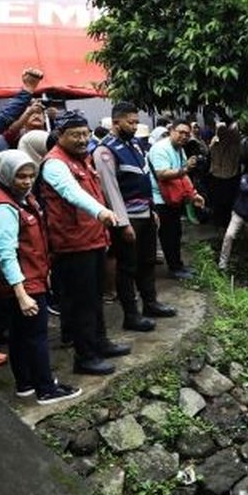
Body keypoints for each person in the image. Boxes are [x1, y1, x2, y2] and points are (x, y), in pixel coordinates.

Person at [0, 150, 82, 404]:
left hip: (32, 276)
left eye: (30, 176)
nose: (27, 181)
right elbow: (6, 254)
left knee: (20, 334)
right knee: (37, 335)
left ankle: (26, 382)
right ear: (6, 176)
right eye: (20, 177)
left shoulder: (23, 199)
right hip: (22, 282)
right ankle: (46, 389)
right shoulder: (3, 208)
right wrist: (21, 293)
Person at [39, 111, 127, 377]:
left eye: (85, 134)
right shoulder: (54, 163)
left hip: (93, 239)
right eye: (75, 135)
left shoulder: (84, 158)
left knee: (95, 297)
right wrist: (100, 212)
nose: (82, 139)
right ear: (59, 135)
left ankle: (100, 343)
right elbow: (71, 192)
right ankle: (85, 357)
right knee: (81, 303)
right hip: (72, 244)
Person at [93, 103, 177, 332]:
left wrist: (152, 210)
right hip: (128, 218)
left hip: (145, 213)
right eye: (130, 122)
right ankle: (131, 315)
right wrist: (122, 223)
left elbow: (145, 178)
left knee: (147, 262)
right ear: (116, 122)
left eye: (135, 122)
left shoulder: (135, 145)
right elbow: (110, 190)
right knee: (127, 267)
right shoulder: (105, 150)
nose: (134, 126)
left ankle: (150, 303)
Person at [149, 119, 207, 278]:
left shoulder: (179, 149)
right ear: (171, 131)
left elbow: (183, 175)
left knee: (175, 233)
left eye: (187, 134)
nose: (184, 136)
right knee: (168, 235)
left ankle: (178, 265)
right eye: (180, 132)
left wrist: (193, 194)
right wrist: (185, 168)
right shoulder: (160, 148)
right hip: (160, 199)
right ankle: (174, 269)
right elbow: (162, 174)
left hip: (173, 197)